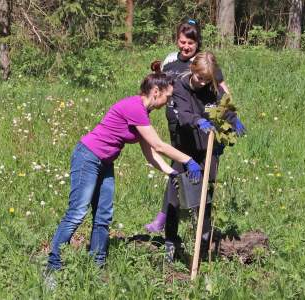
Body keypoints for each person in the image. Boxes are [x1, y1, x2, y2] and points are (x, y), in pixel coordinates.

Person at [45, 72, 203, 272]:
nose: (168, 102)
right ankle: (53, 265)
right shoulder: (134, 107)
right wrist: (187, 160)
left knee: (103, 215)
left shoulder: (143, 114)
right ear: (156, 92)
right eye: (167, 97)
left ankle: (97, 266)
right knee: (77, 213)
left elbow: (150, 153)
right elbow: (158, 145)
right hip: (88, 158)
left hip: (105, 163)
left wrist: (171, 172)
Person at [145, 18, 231, 232]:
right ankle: (167, 217)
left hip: (200, 127)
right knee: (179, 168)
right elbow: (159, 84)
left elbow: (221, 89)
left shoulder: (202, 63)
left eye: (190, 43)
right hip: (177, 123)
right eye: (182, 42)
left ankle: (195, 218)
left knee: (196, 170)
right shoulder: (171, 60)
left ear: (197, 43)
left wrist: (229, 118)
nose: (185, 46)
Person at [159, 51, 245, 263]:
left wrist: (234, 120)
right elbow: (184, 113)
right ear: (192, 71)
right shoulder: (180, 86)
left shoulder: (211, 88)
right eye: (200, 78)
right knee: (176, 192)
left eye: (207, 80)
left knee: (206, 192)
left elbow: (223, 108)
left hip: (206, 147)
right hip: (184, 146)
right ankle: (171, 240)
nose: (202, 83)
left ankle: (203, 240)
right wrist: (197, 121)